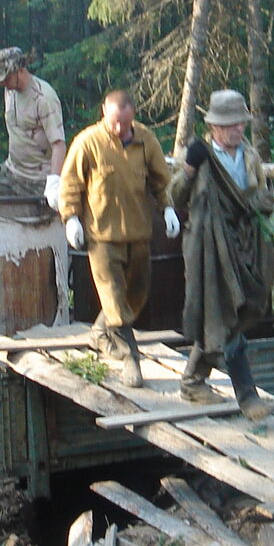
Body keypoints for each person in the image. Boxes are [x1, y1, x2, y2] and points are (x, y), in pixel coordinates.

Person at [170, 90, 274, 419]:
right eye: (230, 125)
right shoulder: (199, 154)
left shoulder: (249, 155)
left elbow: (262, 194)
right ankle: (248, 397)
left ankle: (193, 380)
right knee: (221, 315)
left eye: (241, 124)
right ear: (215, 127)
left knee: (245, 307)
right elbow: (175, 196)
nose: (237, 130)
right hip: (208, 247)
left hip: (243, 244)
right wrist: (189, 170)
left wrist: (263, 202)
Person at [59, 91, 179, 387]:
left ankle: (100, 333)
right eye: (114, 122)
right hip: (101, 235)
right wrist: (71, 217)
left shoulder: (145, 140)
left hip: (138, 232)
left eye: (125, 124)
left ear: (133, 115)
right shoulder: (88, 142)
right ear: (104, 113)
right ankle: (130, 357)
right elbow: (70, 182)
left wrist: (168, 209)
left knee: (135, 293)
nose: (119, 129)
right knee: (112, 293)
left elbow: (161, 180)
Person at [0, 47, 66, 207]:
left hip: (39, 178)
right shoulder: (9, 91)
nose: (2, 83)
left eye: (6, 78)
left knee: (36, 227)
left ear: (20, 70)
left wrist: (54, 181)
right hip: (11, 172)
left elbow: (59, 144)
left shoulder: (43, 98)